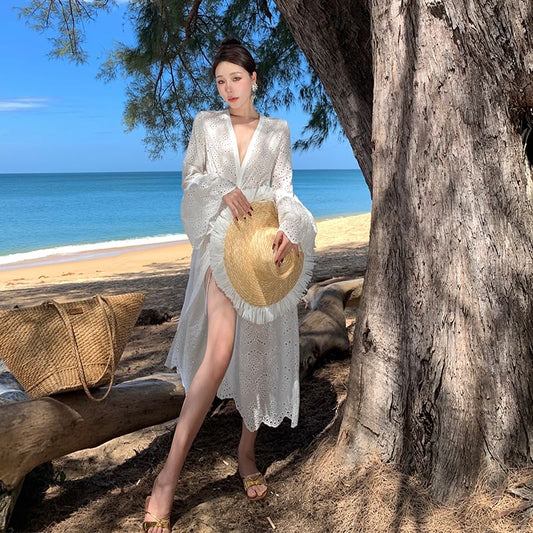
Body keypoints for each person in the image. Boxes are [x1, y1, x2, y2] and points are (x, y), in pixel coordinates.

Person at [142, 37, 316, 533]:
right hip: (220, 251)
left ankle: (246, 453)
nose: (228, 89)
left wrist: (292, 227)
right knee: (219, 354)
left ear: (254, 79)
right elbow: (190, 178)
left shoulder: (278, 130)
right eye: (220, 81)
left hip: (261, 252)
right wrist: (223, 189)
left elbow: (284, 189)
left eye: (236, 78)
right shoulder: (206, 124)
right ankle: (167, 478)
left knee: (257, 354)